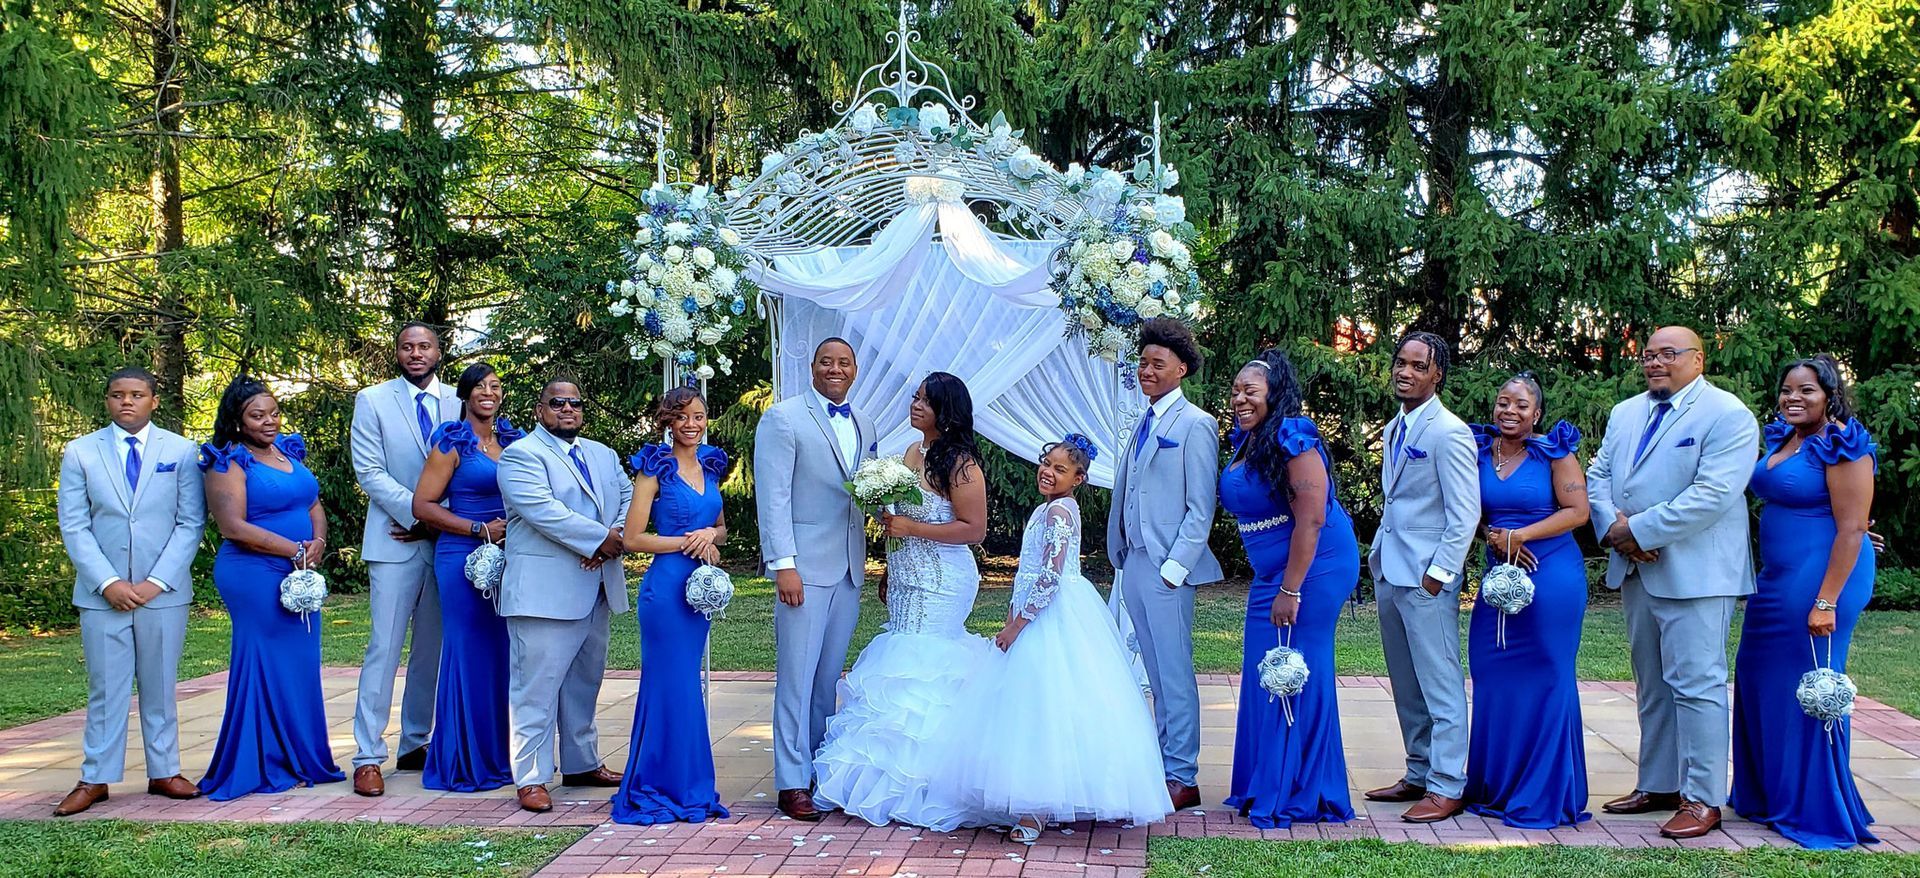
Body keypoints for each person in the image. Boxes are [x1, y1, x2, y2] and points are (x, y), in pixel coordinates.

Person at [932, 436, 1173, 841]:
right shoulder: (1050, 507)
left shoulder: (1060, 511)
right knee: (1031, 706)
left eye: (1061, 469)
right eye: (1047, 463)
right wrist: (1014, 608)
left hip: (1052, 614)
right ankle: (1035, 798)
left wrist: (1017, 624)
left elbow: (1049, 577)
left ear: (1078, 479)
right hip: (1034, 609)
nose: (1048, 472)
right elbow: (1029, 571)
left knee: (1043, 705)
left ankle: (1037, 808)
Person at [1587, 326, 1759, 839]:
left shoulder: (1728, 415)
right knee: (1653, 683)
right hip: (1637, 568)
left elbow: (1713, 494)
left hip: (1697, 574)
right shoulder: (1625, 412)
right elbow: (1597, 476)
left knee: (1698, 684)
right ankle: (1659, 783)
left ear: (1698, 360)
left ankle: (1703, 798)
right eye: (1648, 355)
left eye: (1668, 354)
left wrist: (1637, 530)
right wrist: (1615, 531)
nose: (1655, 363)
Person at [812, 371, 992, 828]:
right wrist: (893, 566)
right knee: (901, 650)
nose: (915, 405)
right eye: (915, 397)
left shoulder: (962, 464)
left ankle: (929, 782)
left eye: (925, 401)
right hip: (907, 573)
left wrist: (912, 528)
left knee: (925, 662)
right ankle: (879, 775)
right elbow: (901, 518)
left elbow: (974, 529)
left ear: (945, 412)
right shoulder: (913, 452)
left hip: (943, 579)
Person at [1729, 355, 1878, 848]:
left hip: (1819, 580)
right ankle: (1771, 794)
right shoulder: (1786, 439)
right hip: (1776, 580)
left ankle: (1815, 807)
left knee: (1810, 689)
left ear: (1830, 395)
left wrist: (1827, 601)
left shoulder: (1843, 444)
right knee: (1759, 678)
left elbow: (1853, 528)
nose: (1793, 398)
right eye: (1787, 390)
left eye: (1807, 390)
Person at [52, 367, 206, 816]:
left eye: (137, 395)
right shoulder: (81, 452)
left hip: (163, 592)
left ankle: (165, 770)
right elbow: (75, 525)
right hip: (103, 595)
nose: (127, 402)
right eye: (117, 394)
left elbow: (190, 522)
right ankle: (95, 778)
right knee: (106, 687)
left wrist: (156, 581)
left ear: (154, 401)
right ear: (107, 400)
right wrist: (108, 582)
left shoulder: (180, 450)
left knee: (161, 684)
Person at [1217, 350, 1360, 829]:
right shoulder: (1249, 440)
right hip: (1272, 574)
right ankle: (1265, 780)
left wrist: (1291, 589)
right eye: (1236, 391)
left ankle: (1302, 789)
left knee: (1296, 668)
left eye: (1250, 391)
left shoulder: (1294, 440)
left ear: (1274, 394)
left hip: (1314, 568)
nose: (1240, 399)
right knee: (1266, 668)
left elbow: (1312, 519)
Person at [197, 377, 346, 800]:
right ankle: (263, 762)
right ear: (237, 420)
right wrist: (293, 549)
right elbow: (233, 527)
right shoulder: (228, 461)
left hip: (298, 570)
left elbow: (312, 503)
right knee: (264, 662)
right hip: (253, 573)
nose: (269, 422)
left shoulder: (287, 451)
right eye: (257, 415)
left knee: (299, 663)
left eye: (274, 413)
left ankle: (302, 757)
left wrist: (317, 542)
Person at [495, 378, 632, 813]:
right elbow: (542, 510)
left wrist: (615, 536)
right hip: (544, 592)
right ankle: (531, 776)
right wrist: (598, 540)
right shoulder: (521, 454)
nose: (567, 408)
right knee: (535, 689)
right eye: (557, 402)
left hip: (597, 586)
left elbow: (628, 496)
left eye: (575, 402)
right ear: (540, 410)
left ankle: (581, 762)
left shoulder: (603, 453)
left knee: (584, 682)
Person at [753, 338, 876, 821]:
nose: (835, 369)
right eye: (827, 361)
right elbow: (774, 497)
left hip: (848, 566)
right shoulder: (783, 419)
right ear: (812, 367)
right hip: (803, 567)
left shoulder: (864, 422)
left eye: (844, 362)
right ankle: (790, 781)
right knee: (797, 678)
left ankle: (817, 769)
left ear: (855, 369)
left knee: (827, 678)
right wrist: (783, 564)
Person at [1462, 373, 1591, 829]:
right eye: (1504, 402)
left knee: (1548, 675)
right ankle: (1497, 786)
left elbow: (1578, 512)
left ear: (1537, 413)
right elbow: (1469, 511)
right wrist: (1492, 535)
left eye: (1521, 405)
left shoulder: (1554, 453)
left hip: (1550, 572)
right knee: (1491, 672)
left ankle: (1544, 791)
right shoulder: (1480, 452)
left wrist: (1520, 536)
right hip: (1499, 570)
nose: (1510, 411)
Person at [1105, 317, 1223, 811]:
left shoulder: (1196, 424)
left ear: (1181, 369)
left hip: (1167, 567)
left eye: (1157, 363)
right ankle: (1161, 763)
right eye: (1143, 362)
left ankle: (1182, 775)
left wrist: (1176, 567)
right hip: (1133, 560)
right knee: (1152, 670)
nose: (1146, 371)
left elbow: (1201, 506)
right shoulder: (1144, 420)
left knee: (1173, 673)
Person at [1365, 331, 1479, 824]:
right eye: (1400, 362)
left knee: (1440, 681)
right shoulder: (1397, 425)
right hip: (1391, 569)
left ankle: (1448, 783)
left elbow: (1465, 512)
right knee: (1406, 680)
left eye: (1417, 365)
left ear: (1437, 375)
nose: (1404, 372)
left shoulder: (1448, 432)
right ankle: (1418, 770)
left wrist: (1439, 574)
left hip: (1426, 578)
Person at [610, 386, 732, 825]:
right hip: (665, 591)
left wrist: (710, 536)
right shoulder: (654, 469)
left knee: (687, 687)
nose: (691, 425)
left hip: (699, 591)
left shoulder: (711, 465)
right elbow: (632, 538)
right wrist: (687, 541)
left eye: (698, 416)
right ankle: (663, 785)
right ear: (668, 422)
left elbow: (720, 528)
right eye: (682, 417)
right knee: (672, 686)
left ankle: (689, 783)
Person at [348, 322, 459, 796]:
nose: (416, 353)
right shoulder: (372, 400)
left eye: (424, 346)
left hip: (446, 540)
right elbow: (369, 470)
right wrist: (417, 514)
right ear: (397, 352)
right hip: (394, 539)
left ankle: (416, 742)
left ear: (439, 351)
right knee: (384, 647)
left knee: (432, 648)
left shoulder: (458, 400)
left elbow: (470, 468)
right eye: (407, 346)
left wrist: (440, 520)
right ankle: (367, 755)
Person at [411, 362, 523, 792]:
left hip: (509, 557)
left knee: (499, 654)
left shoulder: (511, 441)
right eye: (479, 387)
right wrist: (477, 529)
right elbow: (423, 505)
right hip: (461, 555)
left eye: (495, 386)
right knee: (467, 651)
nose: (488, 393)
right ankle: (462, 760)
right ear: (465, 395)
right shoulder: (452, 442)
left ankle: (497, 756)